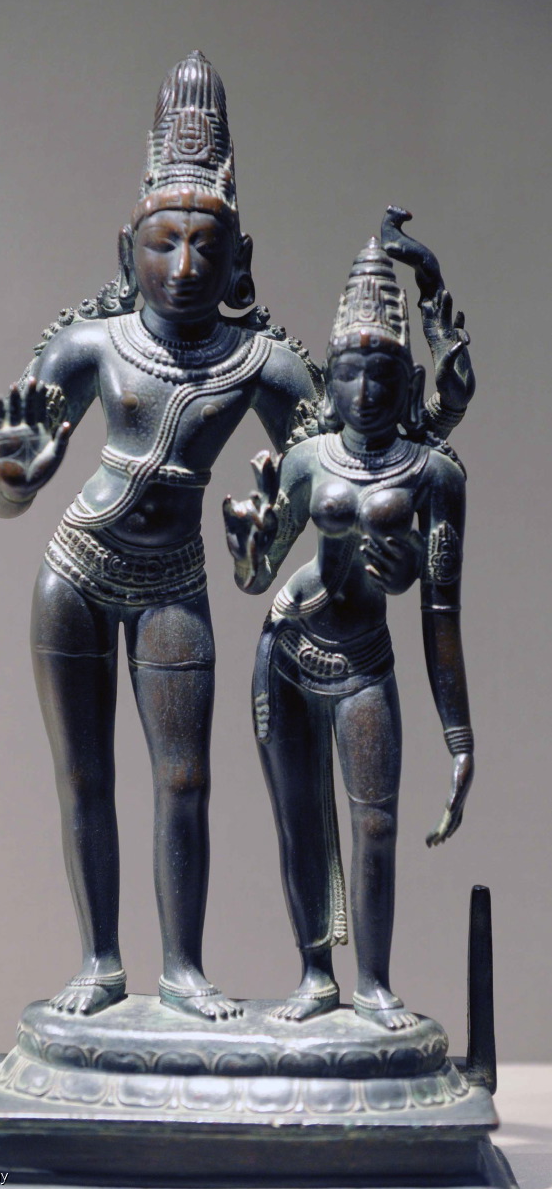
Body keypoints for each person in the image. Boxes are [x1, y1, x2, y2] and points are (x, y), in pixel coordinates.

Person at [0, 52, 318, 1020]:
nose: (184, 267)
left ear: (240, 258)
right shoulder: (92, 347)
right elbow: (0, 483)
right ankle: (100, 962)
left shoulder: (262, 363)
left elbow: (332, 471)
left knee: (185, 780)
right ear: (127, 253)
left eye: (205, 246)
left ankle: (183, 971)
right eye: (163, 244)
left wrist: (272, 539)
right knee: (83, 777)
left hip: (174, 582)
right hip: (76, 573)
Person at [224, 226, 475, 1029]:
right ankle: (314, 976)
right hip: (286, 649)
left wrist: (459, 738)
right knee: (299, 822)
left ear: (408, 383)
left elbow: (441, 615)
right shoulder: (308, 460)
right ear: (328, 383)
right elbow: (256, 577)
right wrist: (248, 552)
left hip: (365, 661)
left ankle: (372, 982)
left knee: (374, 825)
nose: (365, 389)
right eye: (350, 371)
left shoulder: (433, 476)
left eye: (382, 373)